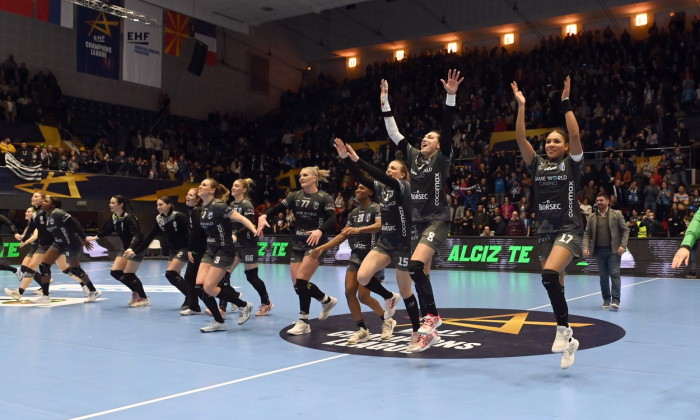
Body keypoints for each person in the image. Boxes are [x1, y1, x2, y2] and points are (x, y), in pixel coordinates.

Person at [380, 69, 463, 336]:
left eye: (431, 138)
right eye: (424, 136)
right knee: (420, 273)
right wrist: (385, 102)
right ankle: (431, 325)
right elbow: (394, 133)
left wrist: (450, 98)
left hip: (437, 219)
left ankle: (433, 316)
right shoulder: (414, 156)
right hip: (417, 222)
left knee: (415, 267)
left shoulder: (442, 158)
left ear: (439, 146)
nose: (425, 139)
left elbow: (448, 129)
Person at [333, 138, 435, 352]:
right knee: (362, 276)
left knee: (406, 290)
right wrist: (346, 160)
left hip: (404, 245)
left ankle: (417, 333)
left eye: (393, 168)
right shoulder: (382, 189)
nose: (389, 170)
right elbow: (361, 178)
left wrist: (358, 159)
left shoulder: (404, 187)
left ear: (403, 174)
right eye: (388, 167)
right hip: (385, 243)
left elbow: (375, 175)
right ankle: (389, 297)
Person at [512, 76, 582, 369]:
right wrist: (522, 106)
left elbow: (576, 135)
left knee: (550, 275)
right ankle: (569, 340)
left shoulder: (571, 163)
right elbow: (520, 138)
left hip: (568, 228)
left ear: (566, 147)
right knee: (556, 286)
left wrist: (566, 104)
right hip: (543, 232)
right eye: (548, 140)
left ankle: (563, 330)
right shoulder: (537, 163)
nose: (551, 144)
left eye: (557, 141)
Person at [309, 180, 398, 343]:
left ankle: (387, 321)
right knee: (349, 292)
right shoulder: (355, 212)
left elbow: (379, 225)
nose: (358, 189)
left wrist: (358, 230)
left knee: (363, 296)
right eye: (357, 187)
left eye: (362, 187)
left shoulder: (376, 208)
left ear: (370, 192)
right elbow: (344, 234)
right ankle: (362, 329)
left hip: (371, 257)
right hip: (356, 256)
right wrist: (323, 247)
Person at [256, 167, 339, 335]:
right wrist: (264, 216)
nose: (301, 178)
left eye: (305, 175)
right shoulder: (295, 196)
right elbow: (277, 208)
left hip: (315, 243)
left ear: (315, 178)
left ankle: (304, 321)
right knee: (297, 285)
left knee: (301, 280)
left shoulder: (324, 197)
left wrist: (320, 230)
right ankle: (326, 300)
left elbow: (333, 218)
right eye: (300, 175)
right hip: (297, 244)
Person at [195, 179, 258, 333]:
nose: (200, 186)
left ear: (212, 190)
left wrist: (254, 230)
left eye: (204, 185)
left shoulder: (220, 206)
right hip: (210, 250)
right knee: (199, 287)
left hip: (224, 250)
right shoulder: (204, 207)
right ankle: (219, 321)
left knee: (209, 287)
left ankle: (243, 305)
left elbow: (242, 219)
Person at [5, 193, 93, 301]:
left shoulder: (51, 213)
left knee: (64, 268)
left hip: (55, 244)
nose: (33, 198)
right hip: (43, 245)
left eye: (36, 196)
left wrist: (82, 238)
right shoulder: (36, 214)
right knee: (33, 266)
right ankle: (21, 293)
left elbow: (69, 224)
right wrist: (23, 240)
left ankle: (84, 285)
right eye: (33, 196)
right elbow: (30, 229)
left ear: (43, 200)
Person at [214, 179, 273, 317]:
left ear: (244, 190)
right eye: (233, 185)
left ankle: (266, 303)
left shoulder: (246, 204)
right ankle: (222, 308)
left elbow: (249, 223)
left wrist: (235, 234)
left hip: (247, 245)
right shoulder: (232, 204)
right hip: (234, 245)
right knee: (223, 275)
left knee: (252, 277)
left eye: (236, 186)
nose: (233, 187)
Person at [125, 196, 193, 311]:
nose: (158, 207)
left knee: (171, 272)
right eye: (157, 205)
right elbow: (149, 236)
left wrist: (192, 248)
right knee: (171, 276)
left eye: (161, 204)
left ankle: (191, 297)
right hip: (173, 249)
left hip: (185, 248)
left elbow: (191, 232)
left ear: (169, 204)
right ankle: (190, 296)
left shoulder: (179, 216)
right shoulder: (159, 219)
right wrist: (135, 251)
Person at [32, 196, 101, 303]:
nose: (43, 202)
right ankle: (45, 296)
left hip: (71, 243)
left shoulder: (59, 213)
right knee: (44, 266)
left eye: (46, 201)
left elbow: (76, 224)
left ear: (53, 205)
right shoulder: (47, 215)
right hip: (58, 243)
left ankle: (93, 290)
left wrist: (84, 239)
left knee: (75, 269)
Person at [87, 195, 149, 307]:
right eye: (110, 202)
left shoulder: (129, 217)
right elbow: (108, 230)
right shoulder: (115, 217)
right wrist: (96, 237)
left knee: (129, 274)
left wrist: (131, 247)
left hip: (137, 247)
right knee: (115, 272)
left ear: (121, 205)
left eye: (113, 203)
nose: (110, 205)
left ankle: (143, 298)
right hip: (126, 247)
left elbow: (137, 234)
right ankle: (135, 292)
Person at [582, 193, 630, 311]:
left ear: (608, 201)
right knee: (603, 277)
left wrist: (623, 245)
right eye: (597, 200)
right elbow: (587, 233)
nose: (599, 202)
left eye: (601, 200)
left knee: (614, 274)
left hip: (613, 251)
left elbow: (625, 231)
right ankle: (606, 299)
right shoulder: (592, 217)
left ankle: (615, 300)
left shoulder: (617, 214)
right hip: (599, 251)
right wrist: (586, 247)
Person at [180, 187, 205, 315]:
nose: (187, 197)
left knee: (191, 278)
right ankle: (194, 306)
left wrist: (190, 249)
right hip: (200, 249)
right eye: (187, 194)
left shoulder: (197, 210)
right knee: (191, 278)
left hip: (200, 250)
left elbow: (196, 232)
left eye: (191, 195)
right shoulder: (194, 210)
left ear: (198, 199)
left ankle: (234, 299)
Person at [672, 209, 700, 278]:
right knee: (691, 258)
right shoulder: (689, 221)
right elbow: (697, 222)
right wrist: (686, 245)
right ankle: (692, 271)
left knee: (692, 258)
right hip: (692, 243)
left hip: (694, 242)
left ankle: (693, 271)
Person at [0, 213, 21, 278]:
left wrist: (15, 233)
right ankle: (15, 270)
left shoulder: (1, 217)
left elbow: (10, 224)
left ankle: (15, 270)